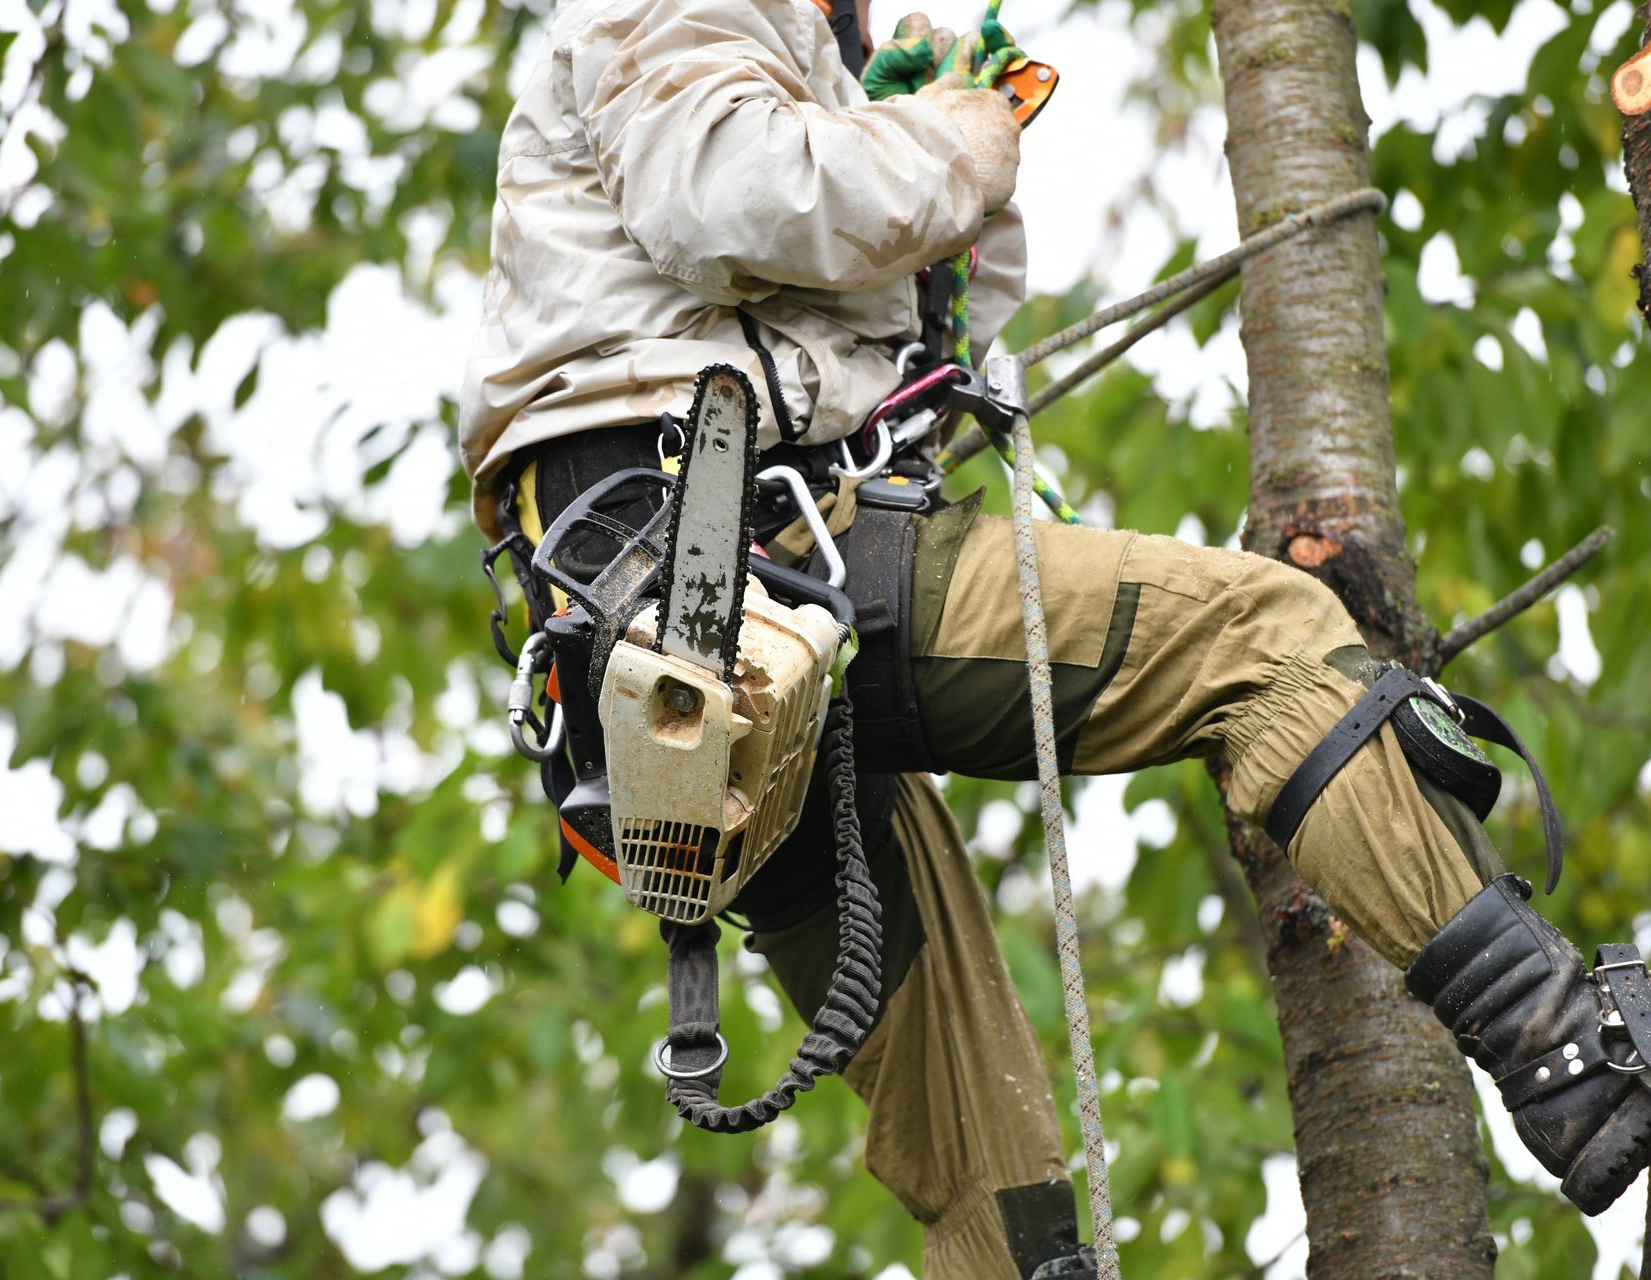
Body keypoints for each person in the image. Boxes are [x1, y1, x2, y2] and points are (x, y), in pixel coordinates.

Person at [458, 1, 1651, 1275]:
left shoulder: (800, 54)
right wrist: (952, 133)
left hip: (706, 641)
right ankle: (1576, 1052)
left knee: (978, 1125)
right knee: (1268, 640)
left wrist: (933, 146)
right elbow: (726, 195)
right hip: (723, 555)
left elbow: (921, 310)